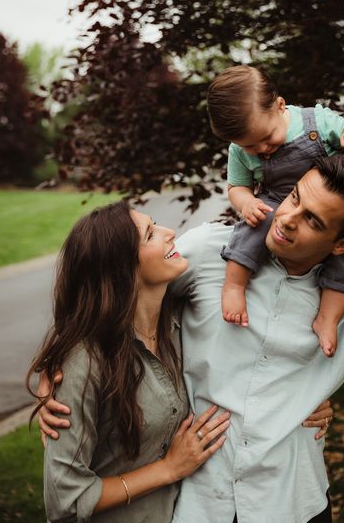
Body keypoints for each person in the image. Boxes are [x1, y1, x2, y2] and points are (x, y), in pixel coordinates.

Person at [39, 154, 344, 523]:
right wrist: (57, 369)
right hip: (199, 503)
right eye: (295, 197)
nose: (286, 219)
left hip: (293, 501)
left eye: (313, 220)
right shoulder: (211, 250)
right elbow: (115, 287)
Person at [27, 201, 231, 522]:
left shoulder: (181, 322)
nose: (170, 233)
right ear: (121, 268)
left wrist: (310, 393)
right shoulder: (86, 363)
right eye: (150, 234)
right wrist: (168, 469)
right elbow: (65, 500)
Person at [207, 64, 344, 356]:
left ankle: (327, 318)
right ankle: (233, 286)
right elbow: (237, 187)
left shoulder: (315, 121)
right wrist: (246, 203)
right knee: (253, 226)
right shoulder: (239, 150)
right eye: (250, 147)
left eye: (267, 138)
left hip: (325, 208)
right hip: (276, 200)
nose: (262, 149)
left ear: (281, 106)